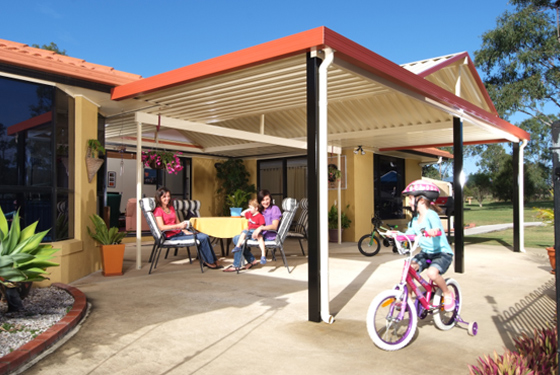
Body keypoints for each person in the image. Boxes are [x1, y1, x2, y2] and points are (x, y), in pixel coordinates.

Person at [402, 180, 455, 312]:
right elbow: (409, 234)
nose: (408, 202)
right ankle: (408, 296)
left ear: (421, 200)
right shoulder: (414, 220)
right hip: (426, 253)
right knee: (410, 268)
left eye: (410, 198)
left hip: (442, 253)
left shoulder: (431, 215)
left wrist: (433, 232)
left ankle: (447, 293)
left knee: (432, 273)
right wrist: (395, 235)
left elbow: (437, 229)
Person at [153, 187, 222, 269]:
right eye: (164, 197)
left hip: (179, 232)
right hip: (171, 236)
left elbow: (178, 222)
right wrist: (178, 226)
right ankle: (208, 261)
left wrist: (185, 230)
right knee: (203, 237)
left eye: (168, 196)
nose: (167, 198)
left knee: (205, 235)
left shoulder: (170, 208)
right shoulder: (158, 210)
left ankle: (212, 260)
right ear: (159, 198)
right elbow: (161, 227)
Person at [224, 189, 282, 272]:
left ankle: (237, 265)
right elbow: (251, 217)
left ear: (271, 199)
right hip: (258, 233)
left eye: (267, 199)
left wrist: (260, 228)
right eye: (262, 200)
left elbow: (274, 226)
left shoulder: (274, 208)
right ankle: (251, 261)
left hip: (268, 236)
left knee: (237, 239)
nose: (265, 202)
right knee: (236, 238)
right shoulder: (261, 210)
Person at [231, 199, 267, 264]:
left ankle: (263, 255)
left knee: (260, 238)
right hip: (249, 231)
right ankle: (238, 247)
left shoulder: (260, 216)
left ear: (256, 208)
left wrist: (257, 231)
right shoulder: (250, 214)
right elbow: (241, 213)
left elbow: (261, 226)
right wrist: (250, 208)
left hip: (256, 231)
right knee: (243, 233)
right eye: (249, 207)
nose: (250, 209)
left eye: (251, 208)